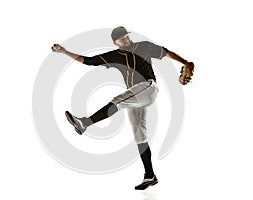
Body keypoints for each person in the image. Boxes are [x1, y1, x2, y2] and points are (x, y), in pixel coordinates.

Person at [52, 26, 194, 190]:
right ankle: (150, 176)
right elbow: (89, 61)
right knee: (139, 135)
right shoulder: (114, 55)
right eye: (121, 38)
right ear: (115, 42)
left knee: (118, 100)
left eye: (126, 36)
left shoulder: (145, 46)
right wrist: (64, 52)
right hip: (134, 96)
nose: (125, 39)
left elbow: (166, 52)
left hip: (148, 87)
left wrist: (186, 63)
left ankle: (85, 123)